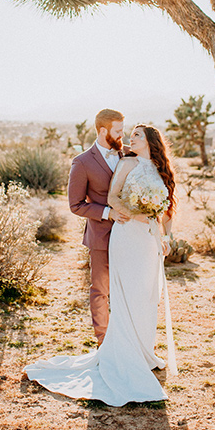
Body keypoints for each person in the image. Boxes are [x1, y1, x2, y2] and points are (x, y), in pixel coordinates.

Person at [24, 124, 177, 407]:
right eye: (130, 134)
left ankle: (144, 352)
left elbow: (167, 208)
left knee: (147, 295)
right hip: (127, 234)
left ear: (151, 141)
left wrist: (165, 235)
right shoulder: (127, 162)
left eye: (137, 136)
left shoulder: (159, 167)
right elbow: (113, 197)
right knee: (127, 293)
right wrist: (137, 213)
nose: (131, 138)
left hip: (148, 241)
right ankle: (125, 355)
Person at [67, 108, 130, 345]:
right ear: (103, 130)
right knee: (101, 290)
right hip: (101, 236)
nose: (123, 135)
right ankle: (104, 342)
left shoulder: (130, 155)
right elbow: (75, 205)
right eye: (118, 131)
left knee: (127, 289)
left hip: (131, 235)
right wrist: (108, 213)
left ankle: (128, 340)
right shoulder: (82, 162)